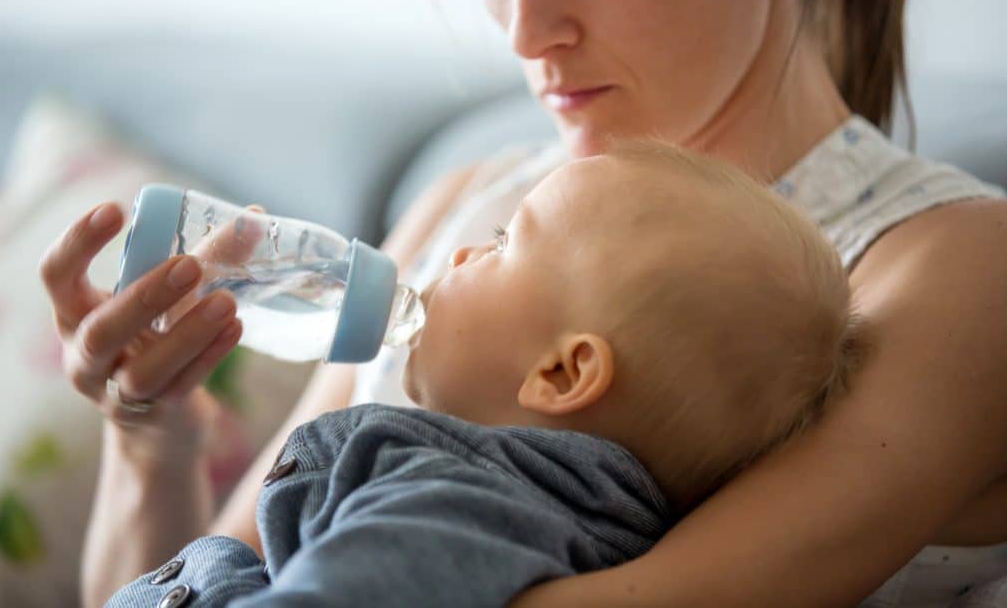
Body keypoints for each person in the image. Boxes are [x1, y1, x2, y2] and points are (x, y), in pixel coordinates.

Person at [39, 0, 1007, 606]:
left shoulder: (947, 267)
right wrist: (149, 429)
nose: (523, 32)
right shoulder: (462, 208)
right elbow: (203, 574)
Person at [104, 147, 859, 606]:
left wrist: (218, 567)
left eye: (501, 243)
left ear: (562, 371)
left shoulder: (452, 506)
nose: (458, 255)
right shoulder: (542, 518)